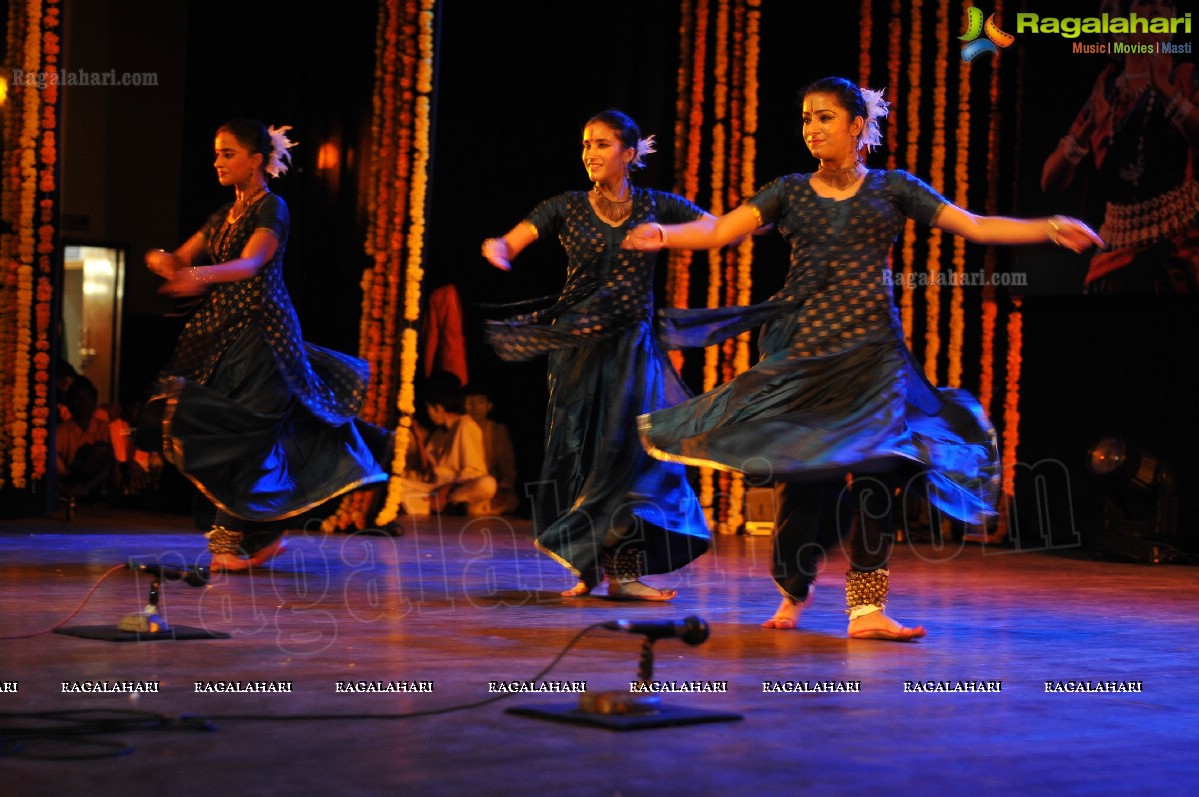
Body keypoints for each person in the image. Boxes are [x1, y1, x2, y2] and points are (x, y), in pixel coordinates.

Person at [624, 77, 1103, 636]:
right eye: (805, 119)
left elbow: (972, 225)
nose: (812, 129)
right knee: (805, 479)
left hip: (875, 357)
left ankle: (867, 608)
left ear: (857, 125)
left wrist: (1048, 227)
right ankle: (792, 592)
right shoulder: (789, 191)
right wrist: (665, 233)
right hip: (807, 357)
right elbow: (720, 232)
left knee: (881, 472)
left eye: (824, 117)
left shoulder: (893, 188)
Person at [139, 119, 390, 572]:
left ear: (256, 160)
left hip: (266, 337)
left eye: (228, 153)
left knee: (245, 434)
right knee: (226, 430)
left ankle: (229, 545)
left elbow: (252, 263)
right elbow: (181, 257)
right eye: (216, 153)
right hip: (222, 334)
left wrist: (195, 276)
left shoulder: (271, 208)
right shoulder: (223, 215)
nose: (217, 161)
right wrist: (162, 261)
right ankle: (262, 538)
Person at [481, 109, 711, 601]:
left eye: (602, 144)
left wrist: (754, 220)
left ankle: (624, 573)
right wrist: (501, 248)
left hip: (634, 349)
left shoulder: (656, 205)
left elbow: (719, 228)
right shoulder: (565, 206)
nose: (590, 153)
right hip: (577, 350)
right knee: (580, 452)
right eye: (586, 144)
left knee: (629, 454)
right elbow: (517, 237)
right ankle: (588, 567)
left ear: (628, 153)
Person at [1041, 0, 1198, 293]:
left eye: (1164, 10)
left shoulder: (1185, 78)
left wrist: (1169, 96)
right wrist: (1087, 129)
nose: (1158, 16)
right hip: (1114, 256)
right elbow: (1050, 181)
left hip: (1179, 251)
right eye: (1146, 8)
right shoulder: (1107, 91)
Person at [393, 371, 497, 516]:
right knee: (393, 483)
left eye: (428, 407)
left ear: (438, 408)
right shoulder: (438, 433)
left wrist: (447, 490)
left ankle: (447, 504)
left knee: (487, 484)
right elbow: (427, 471)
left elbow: (475, 472)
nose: (428, 413)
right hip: (434, 489)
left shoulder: (466, 426)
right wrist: (418, 437)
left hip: (456, 490)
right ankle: (437, 506)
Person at [56, 376, 116, 503]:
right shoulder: (62, 430)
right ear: (70, 403)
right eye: (78, 398)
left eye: (87, 398)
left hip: (92, 484)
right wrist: (65, 489)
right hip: (68, 479)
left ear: (93, 402)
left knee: (102, 449)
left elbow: (107, 465)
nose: (83, 402)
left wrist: (85, 487)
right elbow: (54, 464)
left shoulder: (101, 427)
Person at [464, 384, 520, 515]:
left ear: (489, 406)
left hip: (491, 487)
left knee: (512, 500)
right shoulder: (461, 427)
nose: (475, 407)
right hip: (467, 485)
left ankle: (475, 508)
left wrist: (504, 487)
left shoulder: (497, 430)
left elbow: (507, 463)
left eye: (480, 402)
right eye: (469, 402)